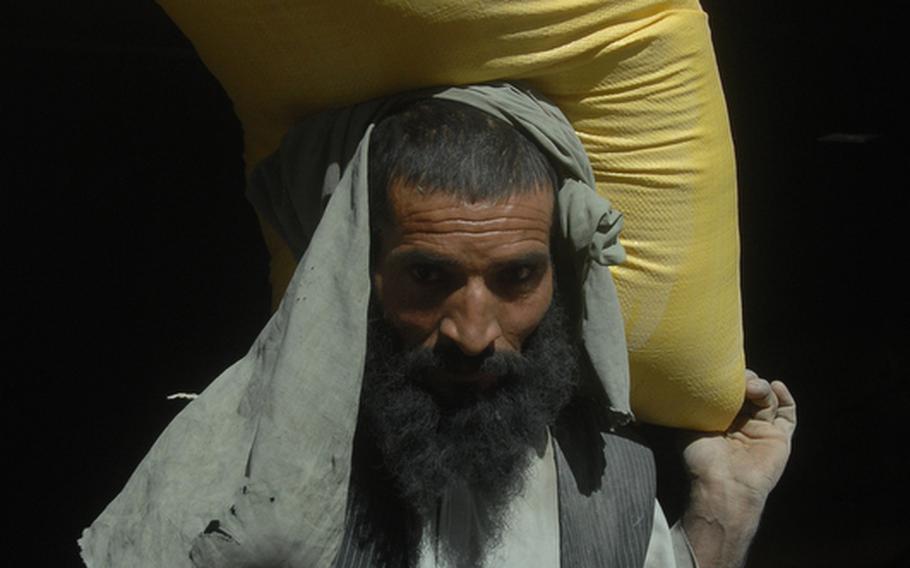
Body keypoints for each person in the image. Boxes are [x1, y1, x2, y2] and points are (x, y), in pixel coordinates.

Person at [79, 83, 796, 568]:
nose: (474, 332)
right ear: (357, 270)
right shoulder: (243, 482)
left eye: (517, 277)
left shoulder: (608, 487)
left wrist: (725, 507)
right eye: (429, 277)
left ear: (561, 274)